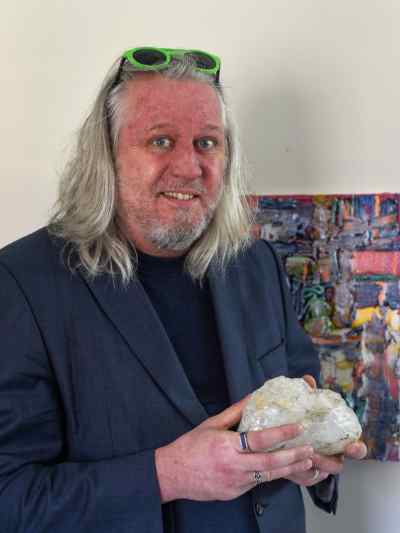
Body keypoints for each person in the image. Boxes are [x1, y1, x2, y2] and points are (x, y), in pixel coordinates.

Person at [0, 47, 366, 533]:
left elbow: (303, 389)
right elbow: (10, 495)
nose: (190, 167)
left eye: (207, 142)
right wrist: (166, 476)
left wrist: (310, 458)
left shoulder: (255, 263)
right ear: (107, 155)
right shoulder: (21, 282)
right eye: (161, 141)